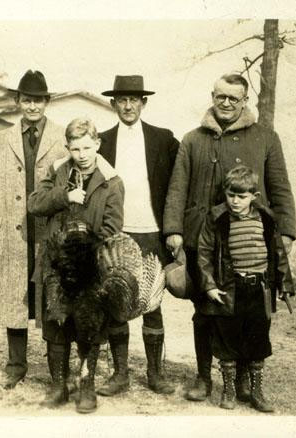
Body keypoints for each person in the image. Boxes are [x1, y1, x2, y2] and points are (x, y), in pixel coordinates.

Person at [163, 73, 296, 402]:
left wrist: (287, 232)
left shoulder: (265, 138)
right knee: (206, 310)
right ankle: (203, 377)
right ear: (212, 96)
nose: (225, 103)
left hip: (247, 240)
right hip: (201, 239)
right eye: (220, 96)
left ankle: (243, 382)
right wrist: (174, 231)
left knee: (247, 315)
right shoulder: (192, 139)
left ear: (244, 101)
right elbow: (177, 187)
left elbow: (279, 186)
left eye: (233, 98)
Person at [28, 117, 124, 414]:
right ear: (67, 147)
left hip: (89, 266)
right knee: (57, 324)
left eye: (86, 147)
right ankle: (59, 385)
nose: (81, 154)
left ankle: (86, 386)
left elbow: (114, 227)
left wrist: (86, 244)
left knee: (88, 327)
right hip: (56, 264)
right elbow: (35, 203)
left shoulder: (111, 181)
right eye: (74, 148)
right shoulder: (58, 170)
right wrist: (64, 196)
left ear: (97, 144)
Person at [0, 70, 68, 389]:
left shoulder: (61, 137)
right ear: (18, 101)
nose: (32, 106)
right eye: (27, 100)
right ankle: (16, 363)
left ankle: (54, 362)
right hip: (13, 230)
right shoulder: (2, 139)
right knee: (13, 297)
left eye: (38, 100)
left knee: (50, 294)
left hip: (48, 228)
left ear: (47, 102)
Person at [96, 75, 180, 396]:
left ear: (144, 103)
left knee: (152, 303)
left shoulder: (163, 140)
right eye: (122, 100)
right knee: (117, 301)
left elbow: (177, 186)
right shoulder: (101, 142)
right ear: (113, 103)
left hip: (152, 232)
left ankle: (155, 372)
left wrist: (175, 230)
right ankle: (119, 373)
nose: (128, 105)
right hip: (118, 233)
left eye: (134, 99)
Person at [196, 165, 293, 412]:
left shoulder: (266, 218)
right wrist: (209, 286)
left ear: (254, 196)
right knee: (228, 341)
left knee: (257, 340)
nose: (235, 201)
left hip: (259, 289)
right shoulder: (217, 219)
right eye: (231, 195)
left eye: (242, 196)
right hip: (230, 290)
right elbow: (204, 253)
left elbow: (278, 252)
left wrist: (284, 284)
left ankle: (256, 391)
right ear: (225, 193)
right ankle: (228, 390)